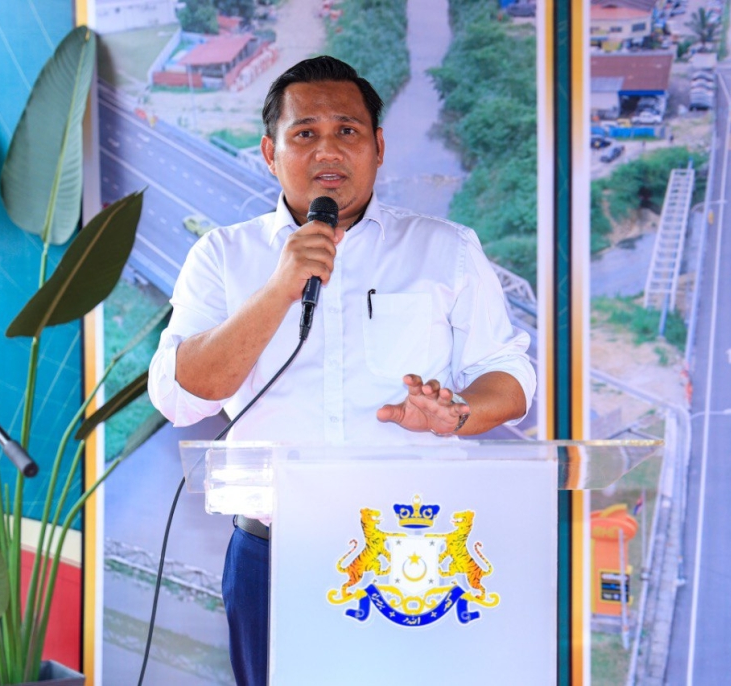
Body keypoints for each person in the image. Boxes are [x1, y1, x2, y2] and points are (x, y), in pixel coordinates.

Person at [147, 56, 535, 685]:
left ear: (378, 147)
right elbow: (181, 397)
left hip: (416, 556)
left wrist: (458, 414)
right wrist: (281, 285)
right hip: (274, 553)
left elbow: (509, 376)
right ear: (270, 153)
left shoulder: (446, 249)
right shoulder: (222, 256)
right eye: (305, 133)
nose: (328, 149)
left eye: (347, 131)